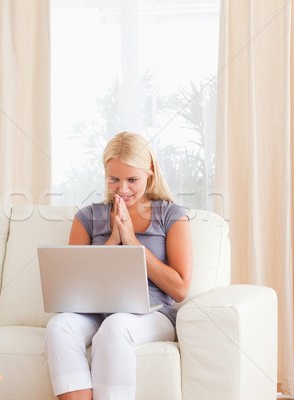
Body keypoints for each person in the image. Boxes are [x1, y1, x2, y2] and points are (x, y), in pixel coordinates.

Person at [44, 131, 193, 400]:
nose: (122, 189)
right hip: (95, 312)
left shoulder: (172, 216)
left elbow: (180, 289)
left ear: (150, 173)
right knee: (59, 326)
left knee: (115, 326)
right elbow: (73, 286)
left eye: (132, 179)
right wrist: (112, 242)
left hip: (152, 314)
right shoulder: (88, 217)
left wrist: (133, 244)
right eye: (114, 179)